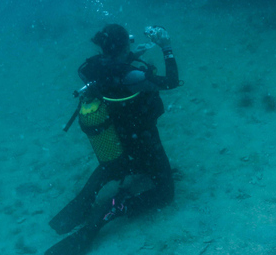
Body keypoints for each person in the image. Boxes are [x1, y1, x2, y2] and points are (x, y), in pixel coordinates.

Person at [45, 23, 181, 255]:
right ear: (122, 45)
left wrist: (128, 56)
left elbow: (114, 74)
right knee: (166, 192)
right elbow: (171, 82)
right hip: (144, 140)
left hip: (117, 140)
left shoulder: (95, 67)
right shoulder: (131, 75)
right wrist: (166, 47)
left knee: (115, 165)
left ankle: (85, 199)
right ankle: (117, 207)